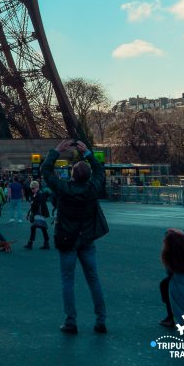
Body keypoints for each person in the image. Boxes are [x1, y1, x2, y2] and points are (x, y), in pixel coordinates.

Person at [42, 139, 108, 334]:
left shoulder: (64, 189)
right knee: (93, 279)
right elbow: (100, 171)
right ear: (87, 176)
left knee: (67, 281)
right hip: (87, 239)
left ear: (71, 174)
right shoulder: (92, 189)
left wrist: (56, 151)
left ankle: (71, 321)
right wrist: (87, 153)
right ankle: (101, 320)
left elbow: (46, 171)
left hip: (67, 240)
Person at [23, 180, 50, 250]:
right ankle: (45, 243)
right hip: (38, 214)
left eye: (33, 188)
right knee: (42, 228)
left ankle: (31, 243)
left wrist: (33, 203)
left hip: (39, 214)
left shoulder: (40, 194)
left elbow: (39, 204)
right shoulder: (37, 194)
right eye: (31, 188)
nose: (32, 189)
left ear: (37, 187)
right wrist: (28, 213)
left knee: (35, 228)